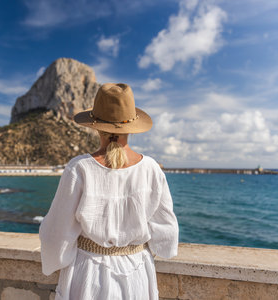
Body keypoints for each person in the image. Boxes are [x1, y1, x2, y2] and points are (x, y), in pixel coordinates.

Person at [39, 83, 179, 300]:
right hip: (137, 271)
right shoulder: (151, 168)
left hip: (89, 273)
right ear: (131, 127)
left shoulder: (79, 168)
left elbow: (57, 230)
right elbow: (166, 229)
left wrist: (55, 259)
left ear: (96, 126)